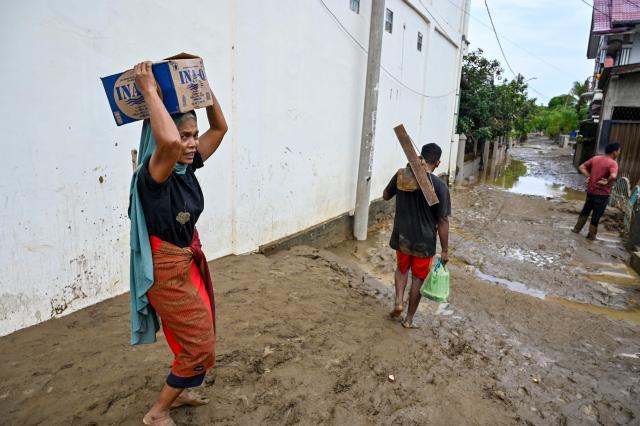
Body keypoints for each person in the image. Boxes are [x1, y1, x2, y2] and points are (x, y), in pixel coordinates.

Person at [128, 61, 228, 426]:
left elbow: (220, 127)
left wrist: (200, 85)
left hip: (184, 262)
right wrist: (150, 91)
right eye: (184, 135)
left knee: (193, 332)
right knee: (201, 342)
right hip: (165, 270)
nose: (189, 143)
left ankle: (182, 389)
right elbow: (168, 142)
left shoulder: (188, 165)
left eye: (192, 134)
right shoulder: (154, 176)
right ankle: (157, 412)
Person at [383, 143, 451, 328]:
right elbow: (443, 220)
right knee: (418, 278)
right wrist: (445, 251)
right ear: (437, 162)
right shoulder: (440, 186)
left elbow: (385, 196)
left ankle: (398, 302)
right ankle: (409, 320)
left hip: (402, 236)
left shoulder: (402, 176)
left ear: (421, 157)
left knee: (402, 269)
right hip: (424, 242)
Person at [572, 143, 622, 240]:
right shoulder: (613, 163)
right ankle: (591, 235)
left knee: (586, 210)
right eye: (619, 151)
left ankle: (576, 229)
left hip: (591, 191)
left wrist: (590, 176)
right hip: (602, 194)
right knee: (596, 215)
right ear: (614, 152)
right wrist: (607, 181)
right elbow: (614, 176)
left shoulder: (595, 158)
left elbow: (581, 167)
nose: (619, 153)